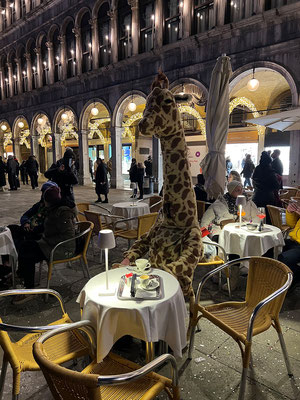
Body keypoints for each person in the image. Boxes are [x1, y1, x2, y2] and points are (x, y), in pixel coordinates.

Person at [14, 185, 77, 304]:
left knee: (28, 252)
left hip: (60, 248)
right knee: (25, 246)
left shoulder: (63, 213)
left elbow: (68, 236)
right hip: (48, 244)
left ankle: (29, 290)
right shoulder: (52, 209)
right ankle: (23, 276)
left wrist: (46, 240)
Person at [252, 151, 280, 223]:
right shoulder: (270, 171)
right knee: (267, 219)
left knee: (257, 217)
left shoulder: (257, 169)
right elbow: (276, 186)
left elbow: (253, 180)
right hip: (268, 197)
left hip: (257, 196)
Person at [278, 199, 300, 290]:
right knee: (271, 248)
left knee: (284, 258)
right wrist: (290, 212)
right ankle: (275, 278)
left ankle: (293, 279)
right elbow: (292, 224)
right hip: (293, 240)